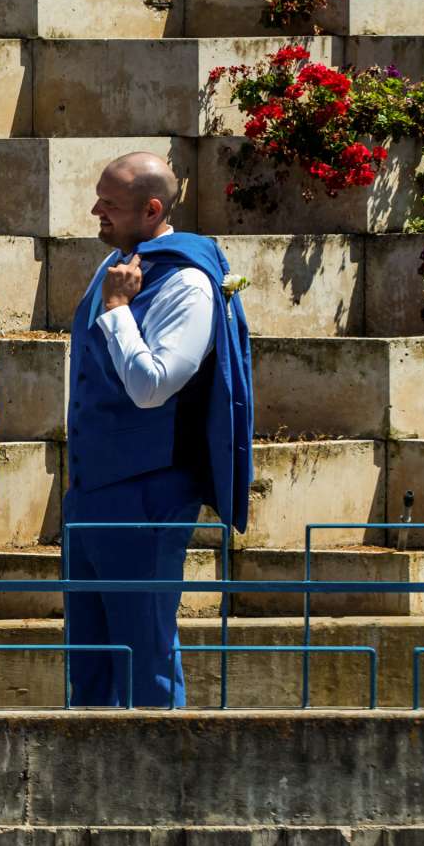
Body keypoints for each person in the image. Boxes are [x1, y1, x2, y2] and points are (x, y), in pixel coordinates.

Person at [65, 151, 253, 708]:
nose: (96, 209)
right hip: (94, 487)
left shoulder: (188, 282)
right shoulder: (118, 260)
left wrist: (119, 308)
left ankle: (160, 777)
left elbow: (153, 387)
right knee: (90, 654)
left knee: (144, 647)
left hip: (148, 489)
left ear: (151, 209)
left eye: (110, 203)